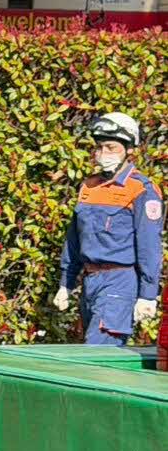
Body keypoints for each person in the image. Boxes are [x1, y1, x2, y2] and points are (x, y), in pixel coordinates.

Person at [54, 111, 163, 345]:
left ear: (129, 150)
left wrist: (148, 294)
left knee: (98, 353)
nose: (103, 153)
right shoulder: (89, 187)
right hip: (90, 280)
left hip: (119, 282)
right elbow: (74, 239)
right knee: (91, 350)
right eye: (99, 147)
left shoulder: (141, 190)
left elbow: (149, 246)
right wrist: (66, 282)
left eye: (111, 147)